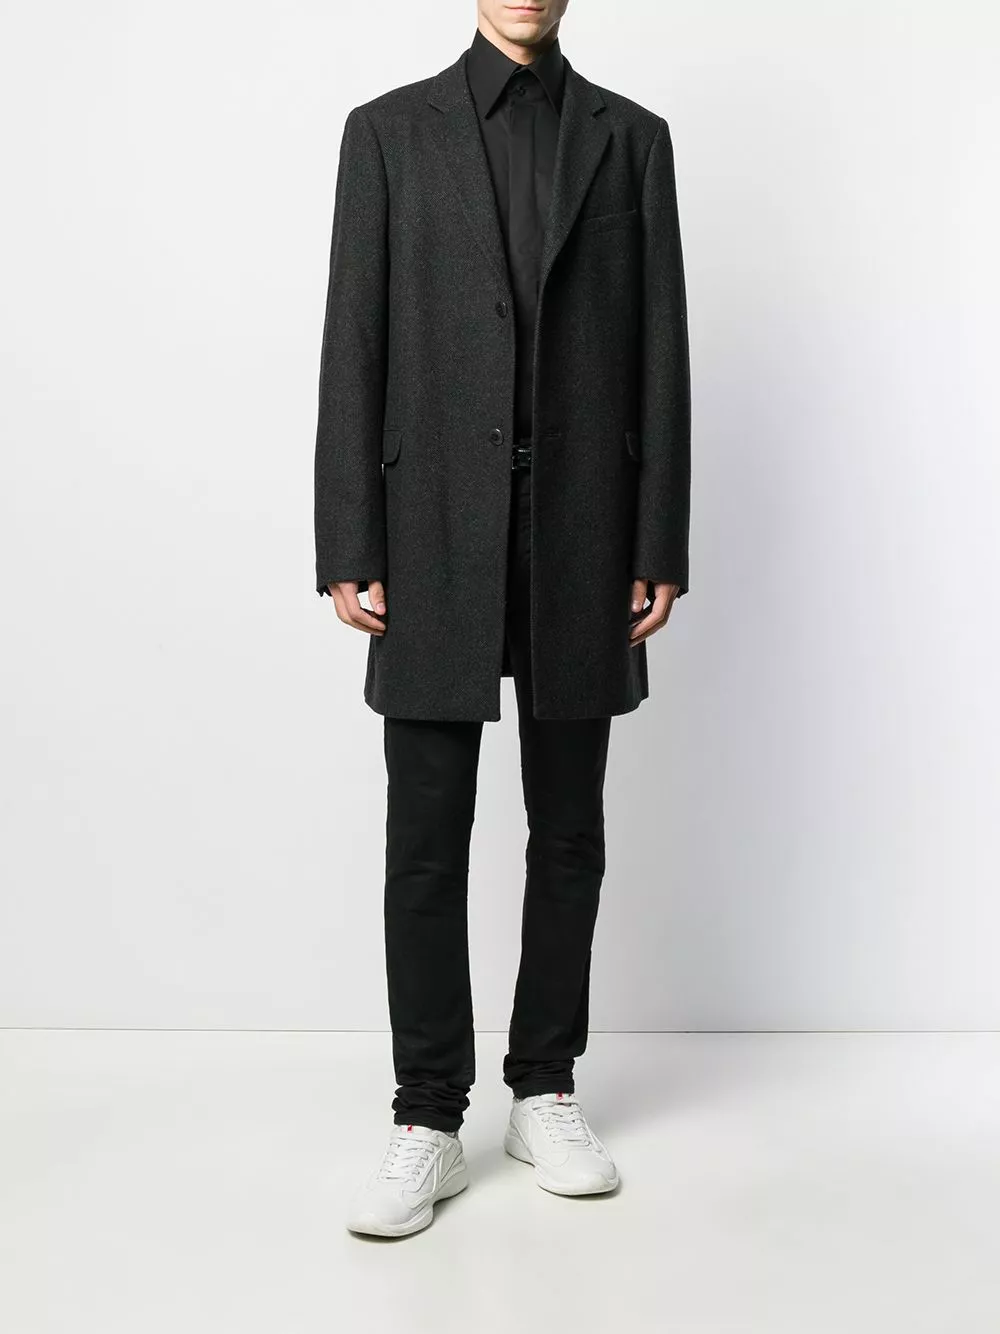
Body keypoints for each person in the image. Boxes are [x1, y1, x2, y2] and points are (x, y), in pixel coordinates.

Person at [314, 0, 690, 1238]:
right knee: (424, 835)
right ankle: (427, 1112)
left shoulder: (631, 138)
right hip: (430, 525)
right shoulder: (387, 133)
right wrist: (348, 538)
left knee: (567, 828)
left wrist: (657, 539)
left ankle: (544, 1086)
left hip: (583, 530)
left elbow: (661, 347)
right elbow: (353, 336)